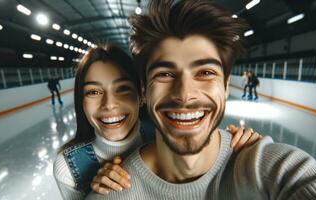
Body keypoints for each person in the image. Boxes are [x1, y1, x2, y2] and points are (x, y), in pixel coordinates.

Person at [86, 0, 316, 199]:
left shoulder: (275, 170)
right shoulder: (113, 194)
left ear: (225, 87)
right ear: (143, 91)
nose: (184, 94)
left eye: (205, 72)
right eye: (165, 74)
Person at [53, 44, 261, 200]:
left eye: (123, 88)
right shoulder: (69, 168)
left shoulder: (168, 133)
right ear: (82, 101)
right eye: (94, 92)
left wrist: (237, 144)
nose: (109, 104)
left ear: (141, 95)